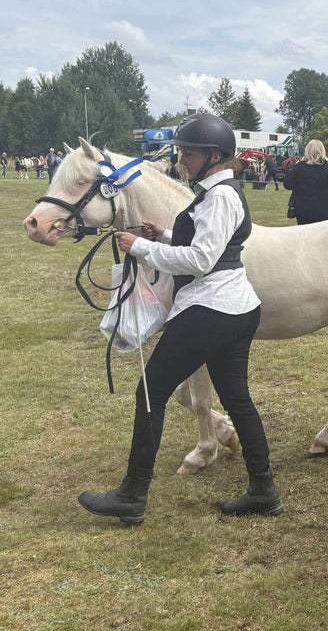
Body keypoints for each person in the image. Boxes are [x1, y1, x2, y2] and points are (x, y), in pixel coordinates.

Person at [78, 113, 283, 525]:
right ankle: (263, 490)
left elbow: (203, 260)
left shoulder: (220, 195)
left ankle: (132, 494)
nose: (182, 160)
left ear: (214, 156)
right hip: (234, 308)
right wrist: (165, 235)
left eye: (189, 153)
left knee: (150, 393)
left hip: (212, 308)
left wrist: (140, 248)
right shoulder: (214, 192)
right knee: (238, 401)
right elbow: (209, 241)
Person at [283, 139, 328, 224]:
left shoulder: (299, 167)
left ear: (307, 151)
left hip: (303, 212)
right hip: (323, 212)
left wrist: (291, 169)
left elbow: (287, 185)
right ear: (323, 151)